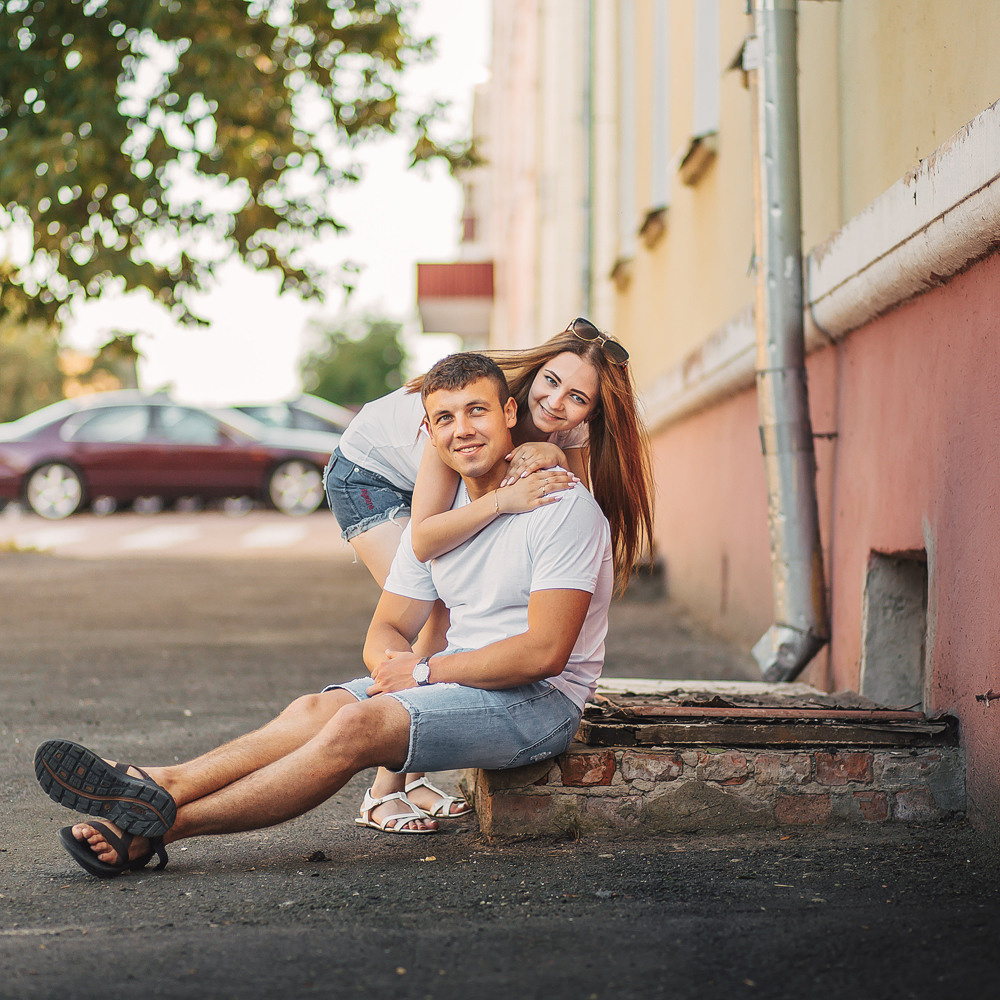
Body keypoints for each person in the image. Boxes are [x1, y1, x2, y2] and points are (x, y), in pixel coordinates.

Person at [35, 352, 615, 877]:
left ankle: (161, 824)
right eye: (445, 419)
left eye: (477, 412)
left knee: (357, 725)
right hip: (460, 680)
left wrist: (420, 675)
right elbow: (387, 630)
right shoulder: (440, 523)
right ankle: (163, 784)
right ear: (429, 433)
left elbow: (544, 652)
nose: (463, 430)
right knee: (319, 706)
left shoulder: (556, 504)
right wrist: (396, 666)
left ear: (510, 412)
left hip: (540, 703)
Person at [324, 318, 653, 829]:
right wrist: (501, 501)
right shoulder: (461, 417)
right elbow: (427, 537)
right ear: (532, 374)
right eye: (550, 381)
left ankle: (409, 769)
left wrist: (556, 450)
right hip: (365, 474)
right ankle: (385, 787)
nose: (557, 403)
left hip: (425, 490)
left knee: (446, 617)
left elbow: (566, 501)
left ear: (591, 411)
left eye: (578, 398)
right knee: (435, 603)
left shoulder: (567, 430)